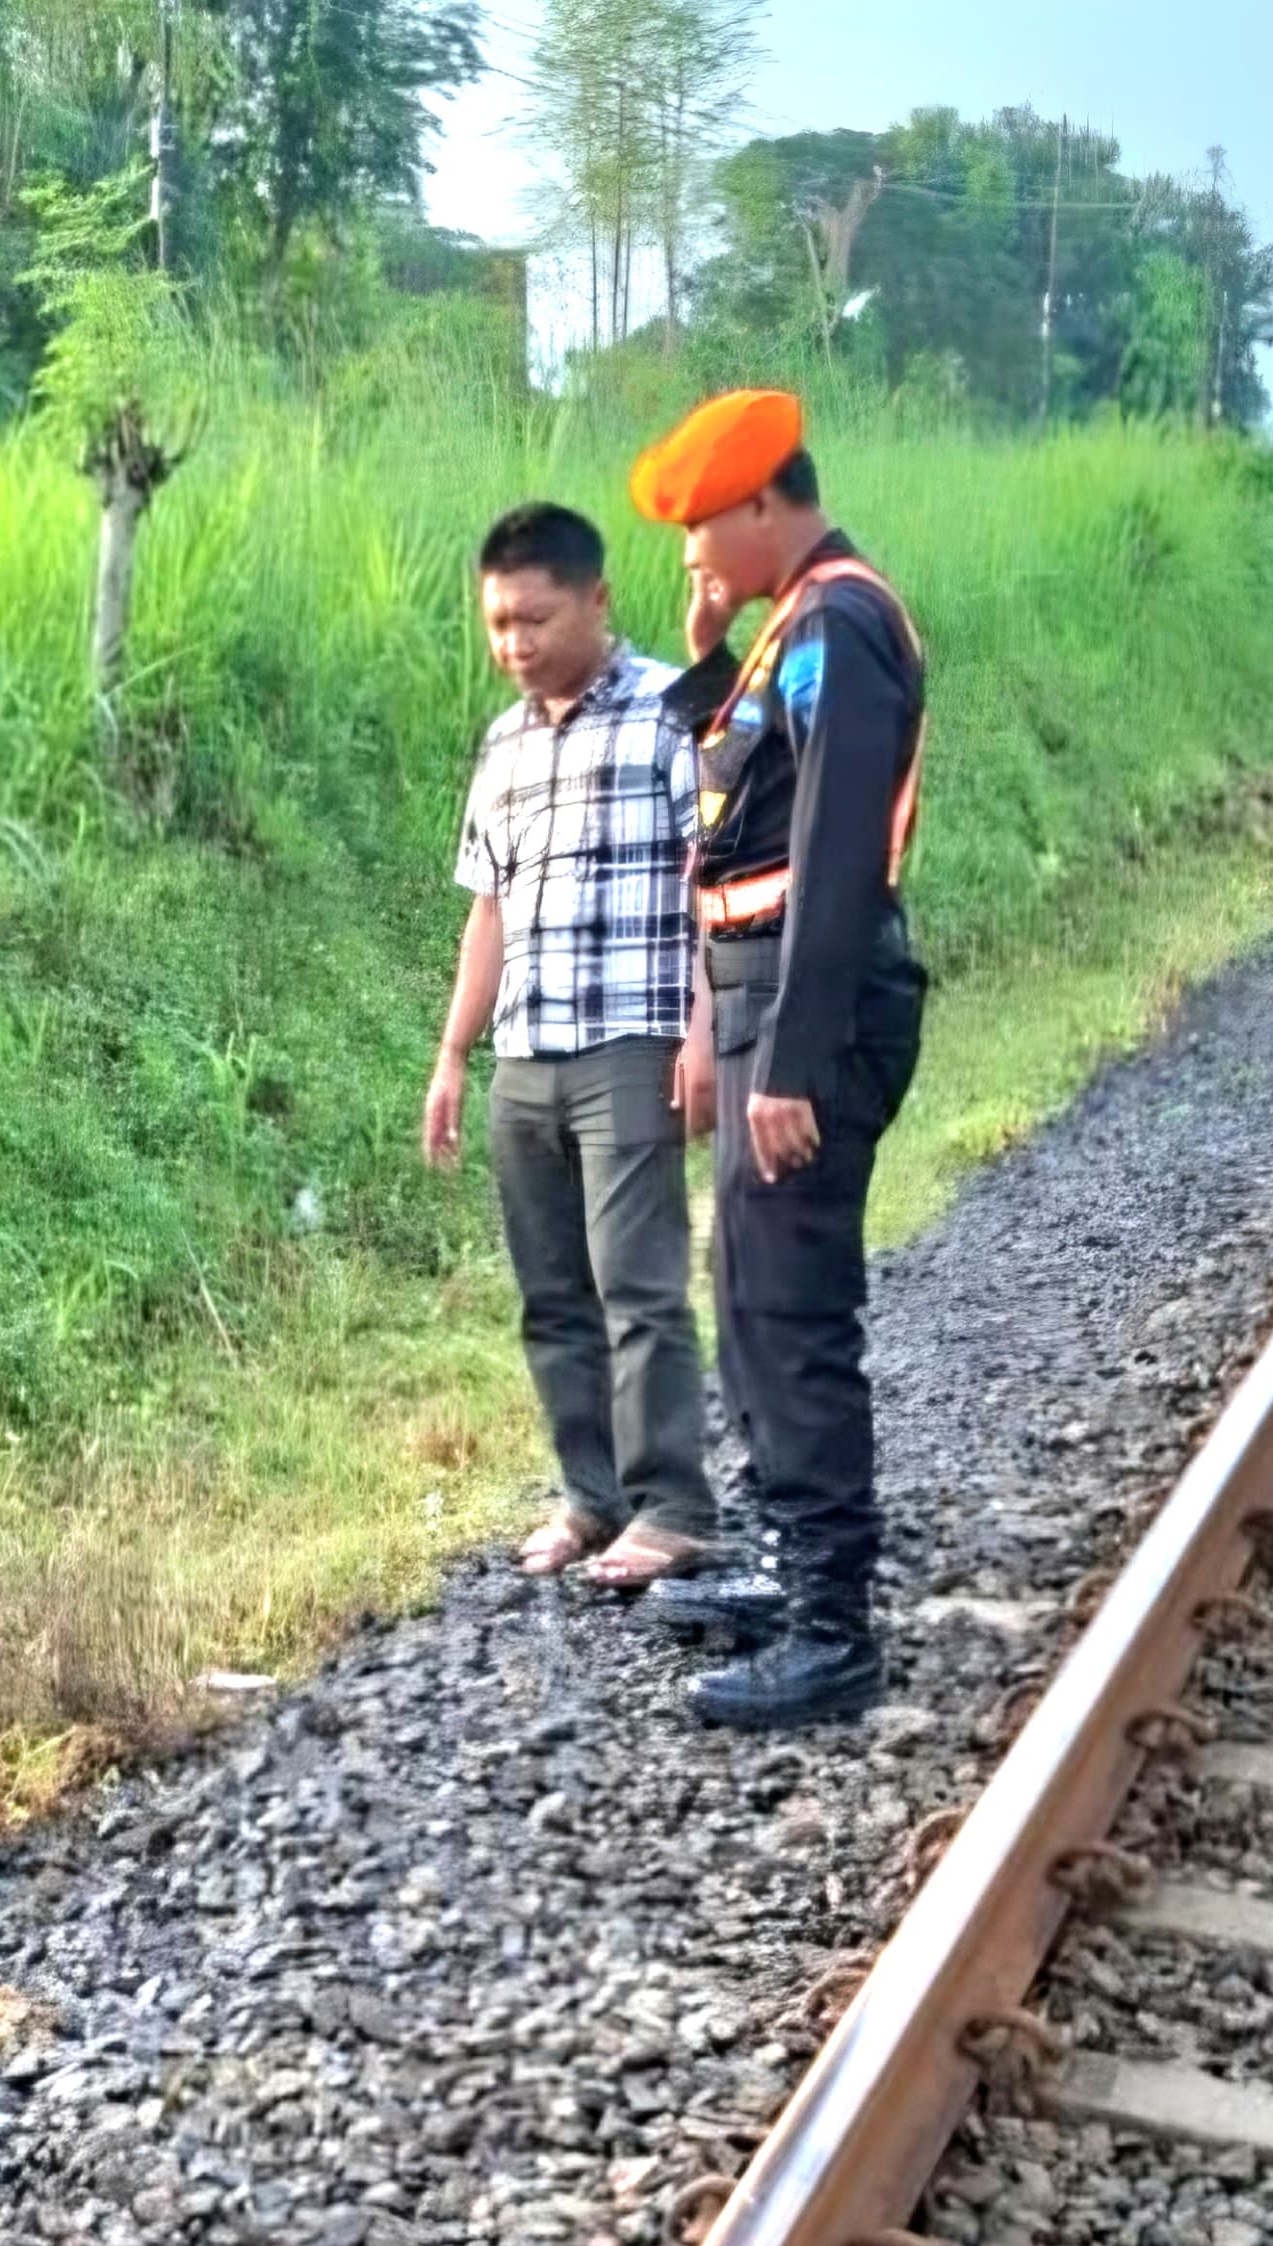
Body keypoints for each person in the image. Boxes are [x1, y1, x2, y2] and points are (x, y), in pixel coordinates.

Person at [627, 390, 930, 1732]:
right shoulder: (789, 633)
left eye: (701, 529)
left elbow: (834, 855)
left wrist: (792, 1064)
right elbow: (745, 811)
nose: (689, 554)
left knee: (793, 1313)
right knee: (749, 1299)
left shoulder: (843, 624)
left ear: (766, 506)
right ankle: (786, 1564)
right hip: (760, 1007)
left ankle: (830, 1628)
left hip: (812, 1013)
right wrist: (709, 661)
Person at [426, 502, 721, 1595]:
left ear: (596, 600)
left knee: (635, 1285)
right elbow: (488, 913)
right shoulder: (501, 745)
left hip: (629, 1046)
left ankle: (672, 1505)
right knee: (551, 1294)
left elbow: (713, 887)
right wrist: (455, 1056)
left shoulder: (665, 714)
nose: (513, 644)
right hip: (526, 1057)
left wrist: (702, 1034)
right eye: (497, 623)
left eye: (534, 619)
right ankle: (591, 1498)